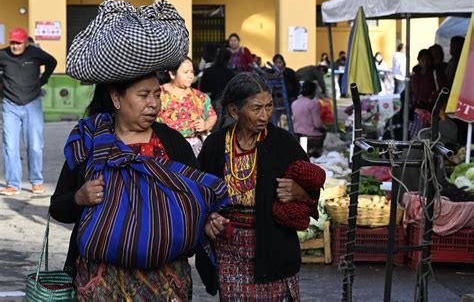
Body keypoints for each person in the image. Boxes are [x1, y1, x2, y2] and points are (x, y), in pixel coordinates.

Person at [50, 72, 227, 300]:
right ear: (116, 99)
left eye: (156, 95)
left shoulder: (172, 142)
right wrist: (79, 198)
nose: (153, 104)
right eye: (143, 95)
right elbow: (57, 208)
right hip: (103, 283)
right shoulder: (92, 143)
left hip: (166, 283)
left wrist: (210, 218)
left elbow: (197, 197)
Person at [196, 73, 320, 300]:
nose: (265, 115)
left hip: (274, 244)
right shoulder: (215, 145)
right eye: (256, 108)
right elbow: (198, 193)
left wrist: (299, 191)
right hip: (229, 249)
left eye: (269, 106)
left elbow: (312, 186)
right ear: (234, 111)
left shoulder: (284, 143)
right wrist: (209, 216)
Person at [0, 27, 57, 195]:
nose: (15, 46)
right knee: (10, 146)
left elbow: (52, 62)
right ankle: (13, 184)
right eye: (12, 42)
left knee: (35, 145)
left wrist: (43, 79)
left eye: (18, 43)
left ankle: (36, 181)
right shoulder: (3, 55)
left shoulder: (35, 53)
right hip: (10, 106)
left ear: (25, 42)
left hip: (33, 104)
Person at [158, 57, 217, 156]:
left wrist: (206, 125)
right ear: (172, 74)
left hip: (194, 148)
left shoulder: (200, 97)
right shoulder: (158, 94)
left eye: (192, 72)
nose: (190, 76)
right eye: (186, 72)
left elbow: (212, 115)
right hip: (165, 147)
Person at [200, 48, 235, 130]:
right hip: (226, 105)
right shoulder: (230, 74)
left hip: (209, 103)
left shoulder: (208, 71)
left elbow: (202, 88)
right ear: (228, 60)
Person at [291, 81, 326, 157]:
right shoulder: (312, 104)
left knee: (304, 154)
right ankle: (315, 154)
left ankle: (306, 155)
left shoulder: (295, 103)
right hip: (311, 136)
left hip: (298, 135)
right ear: (313, 91)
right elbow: (317, 124)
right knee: (323, 134)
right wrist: (324, 129)